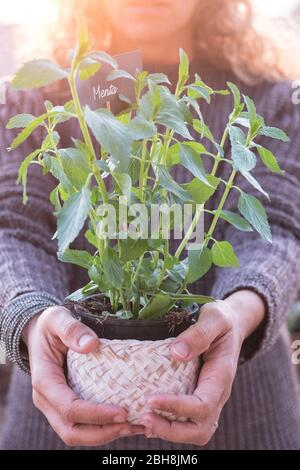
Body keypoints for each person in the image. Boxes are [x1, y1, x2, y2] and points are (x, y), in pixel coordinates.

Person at [1, 0, 300, 450]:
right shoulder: (39, 100)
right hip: (54, 427)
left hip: (246, 424)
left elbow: (277, 228)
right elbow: (14, 226)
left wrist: (236, 315)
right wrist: (32, 316)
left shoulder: (272, 98)